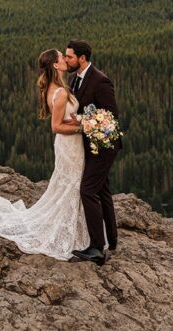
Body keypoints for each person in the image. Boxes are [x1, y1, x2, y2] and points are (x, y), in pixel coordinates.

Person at [0, 49, 90, 260]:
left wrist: (79, 121)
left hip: (70, 144)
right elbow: (56, 126)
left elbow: (65, 118)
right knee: (72, 185)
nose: (64, 59)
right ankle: (70, 234)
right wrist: (85, 127)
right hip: (70, 144)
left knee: (71, 185)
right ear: (55, 65)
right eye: (62, 57)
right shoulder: (60, 92)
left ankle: (75, 230)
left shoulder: (57, 87)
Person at [65, 39, 120, 266]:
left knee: (87, 190)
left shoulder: (100, 81)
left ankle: (97, 247)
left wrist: (80, 119)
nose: (67, 60)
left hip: (104, 146)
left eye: (69, 57)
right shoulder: (74, 79)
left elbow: (111, 116)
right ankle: (113, 241)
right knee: (102, 190)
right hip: (88, 145)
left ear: (82, 58)